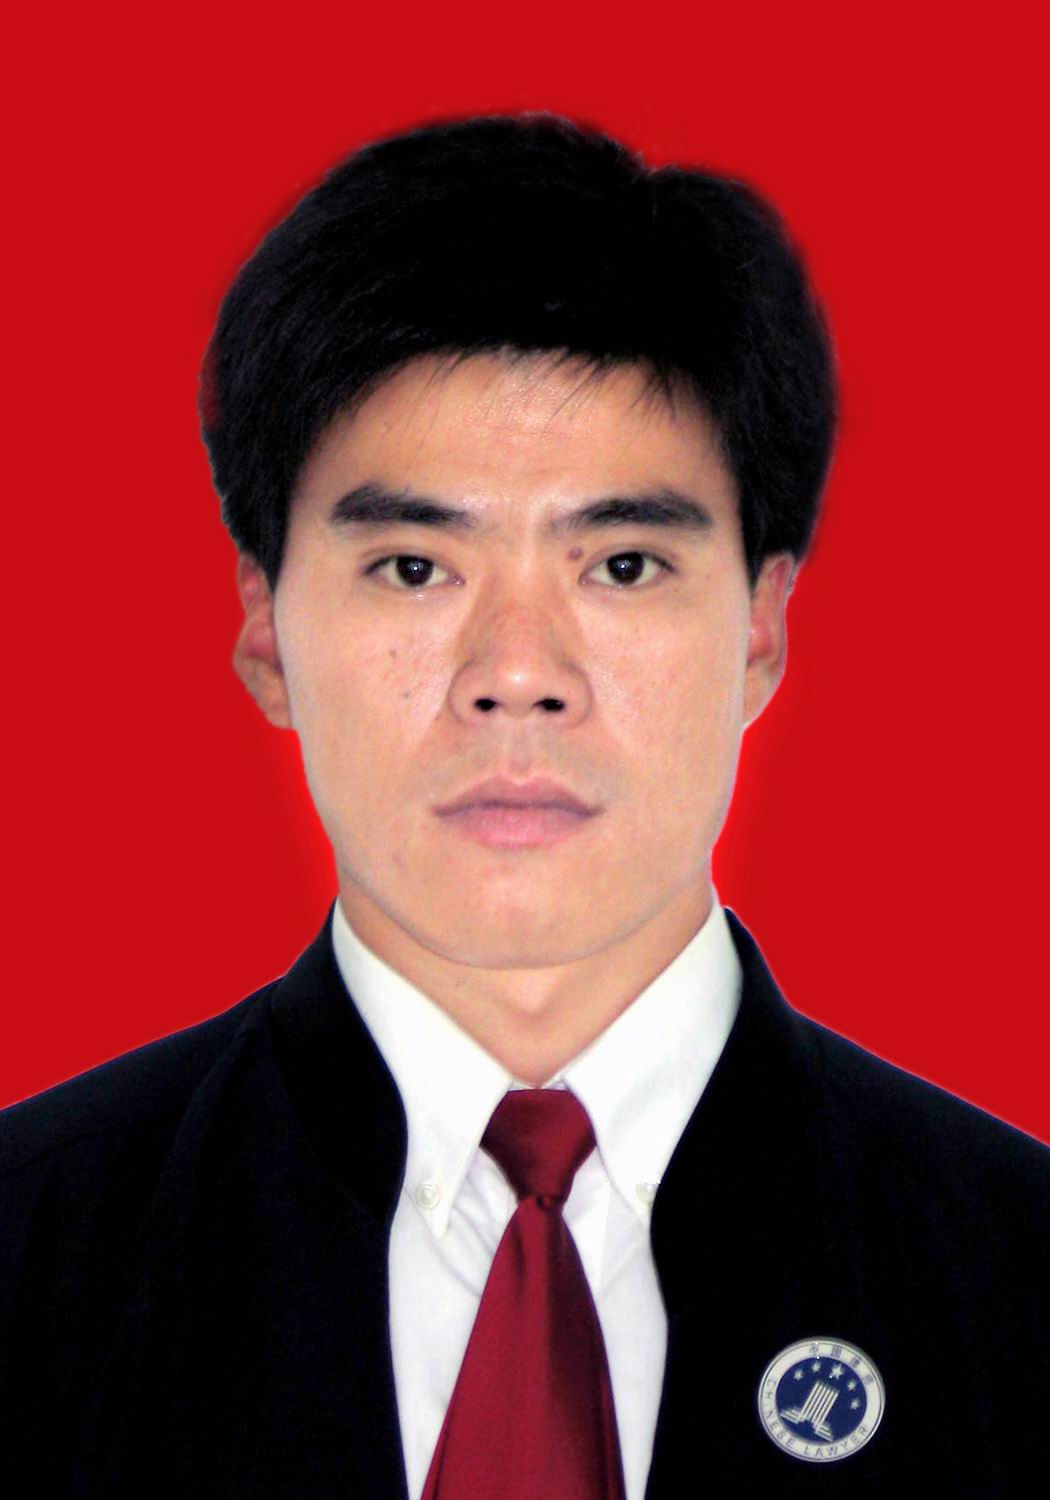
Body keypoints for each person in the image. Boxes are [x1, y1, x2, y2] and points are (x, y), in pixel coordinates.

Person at [1, 112, 1048, 1499]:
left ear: (760, 632)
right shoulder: (29, 1257)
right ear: (265, 630)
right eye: (413, 568)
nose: (514, 674)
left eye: (621, 566)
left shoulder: (1017, 1279)